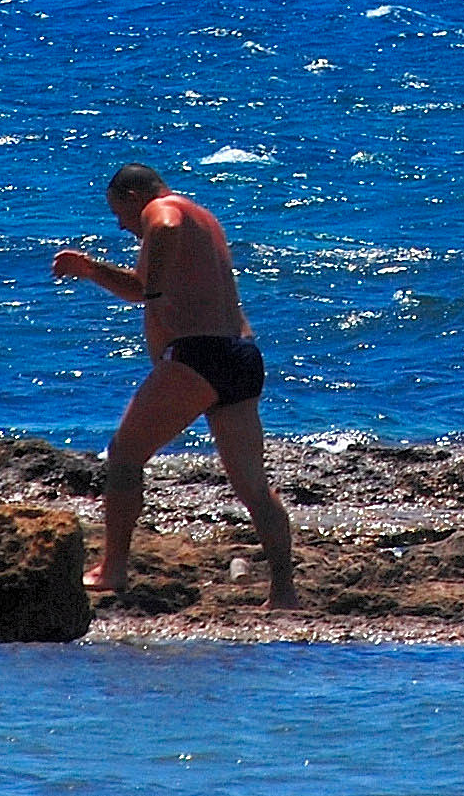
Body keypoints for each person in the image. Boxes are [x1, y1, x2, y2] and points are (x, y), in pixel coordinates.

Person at [51, 163, 298, 609]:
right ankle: (284, 592)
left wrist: (105, 271)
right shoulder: (204, 217)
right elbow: (143, 288)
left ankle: (113, 568)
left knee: (124, 456)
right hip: (240, 354)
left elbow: (156, 252)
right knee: (253, 486)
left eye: (119, 214)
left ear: (132, 197)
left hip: (199, 358)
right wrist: (98, 273)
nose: (121, 225)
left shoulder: (162, 212)